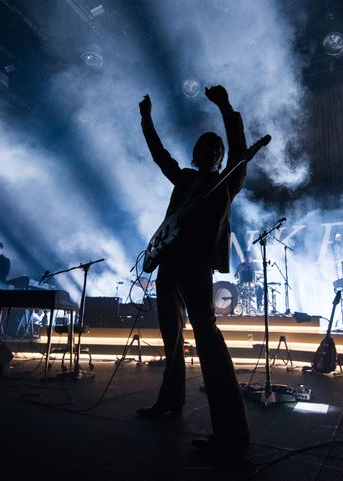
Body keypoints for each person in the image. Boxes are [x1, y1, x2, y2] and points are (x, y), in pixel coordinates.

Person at [137, 85, 250, 457]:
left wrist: (225, 108)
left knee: (207, 337)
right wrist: (146, 120)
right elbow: (160, 156)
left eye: (217, 150)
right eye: (207, 147)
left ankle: (231, 431)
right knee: (171, 335)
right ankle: (170, 401)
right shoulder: (184, 178)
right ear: (197, 153)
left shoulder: (228, 179)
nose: (214, 152)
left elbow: (238, 149)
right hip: (169, 261)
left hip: (198, 263)